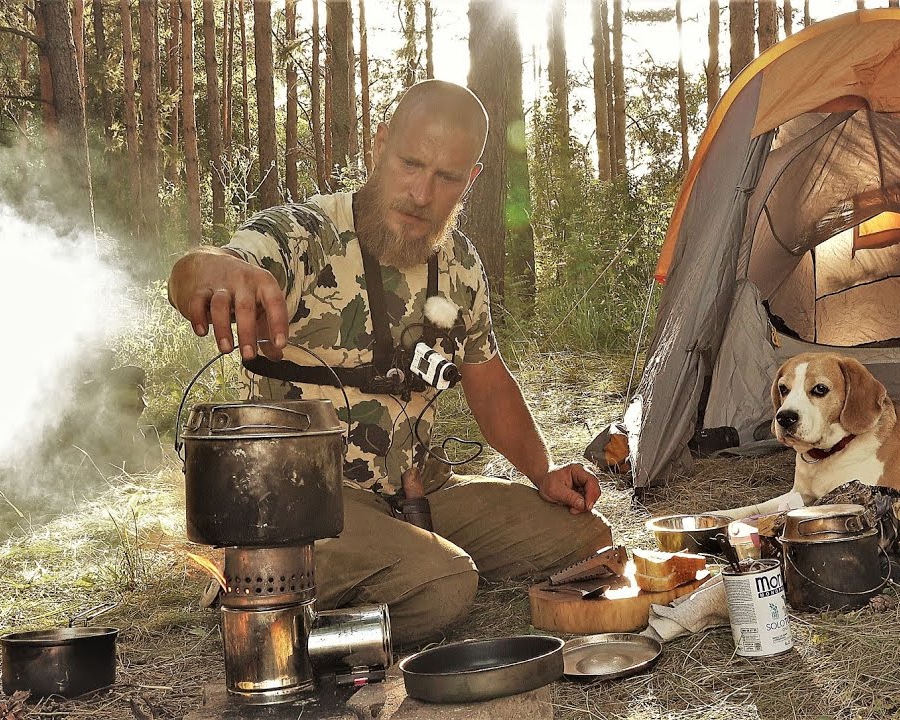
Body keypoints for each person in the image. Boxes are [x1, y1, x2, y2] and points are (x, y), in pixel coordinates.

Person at [167, 80, 612, 645]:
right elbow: (202, 269)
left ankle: (401, 561)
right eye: (410, 163)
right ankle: (266, 615)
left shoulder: (461, 266)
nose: (421, 193)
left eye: (447, 177)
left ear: (471, 181)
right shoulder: (307, 234)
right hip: (309, 505)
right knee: (447, 584)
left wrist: (543, 473)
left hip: (420, 493)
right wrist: (217, 273)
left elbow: (490, 385)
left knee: (585, 536)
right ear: (380, 146)